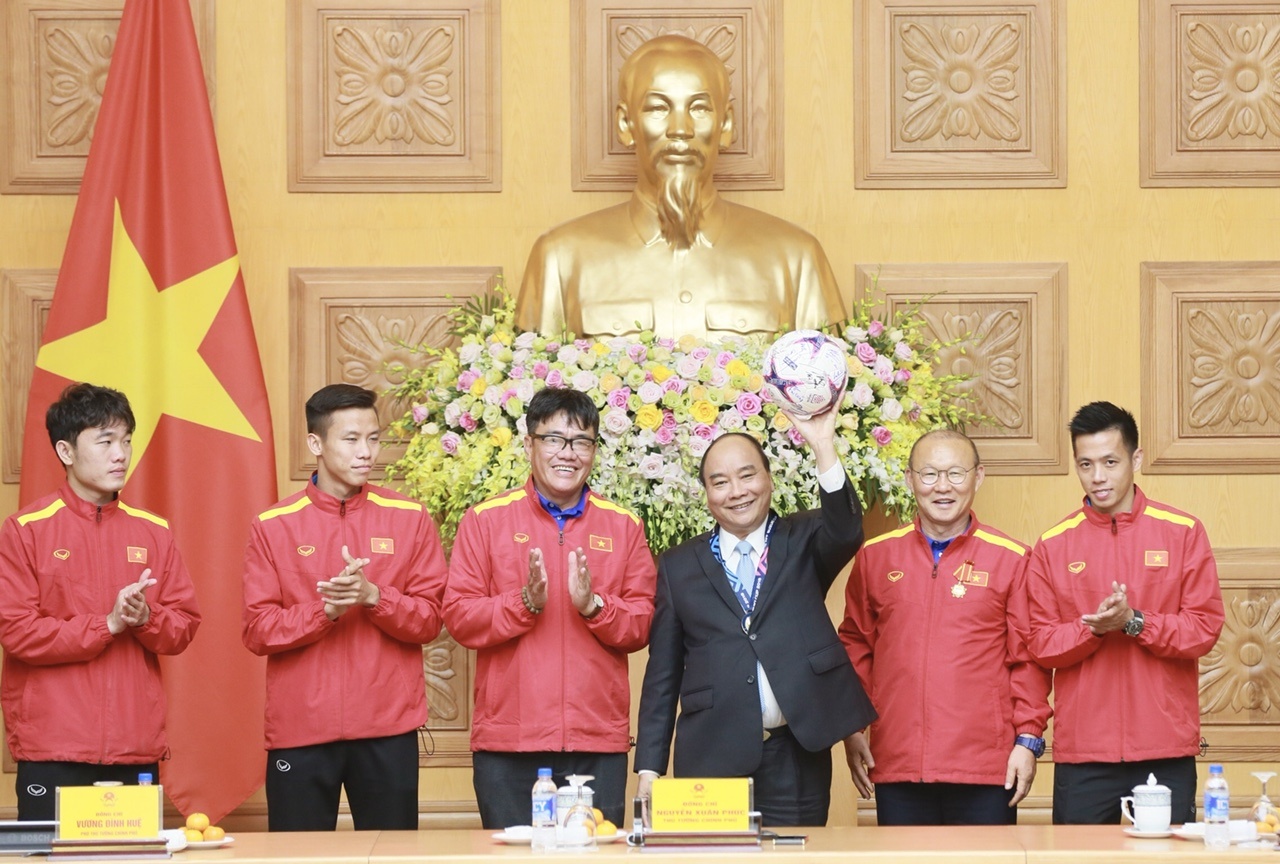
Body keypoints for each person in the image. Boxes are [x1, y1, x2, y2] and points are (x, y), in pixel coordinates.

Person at [634, 407, 876, 827]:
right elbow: (662, 674)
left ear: (769, 479)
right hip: (710, 753)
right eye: (720, 482)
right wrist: (649, 770)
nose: (736, 491)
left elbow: (846, 529)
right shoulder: (678, 566)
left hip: (796, 754)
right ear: (705, 493)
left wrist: (822, 445)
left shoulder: (805, 539)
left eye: (747, 476)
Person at [516, 34, 845, 341]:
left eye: (699, 108)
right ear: (625, 124)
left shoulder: (796, 259)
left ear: (726, 124)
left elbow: (830, 391)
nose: (680, 129)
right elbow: (533, 385)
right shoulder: (560, 258)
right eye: (658, 108)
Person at [443, 387, 656, 829]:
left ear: (594, 449)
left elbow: (641, 626)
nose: (568, 453)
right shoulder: (485, 521)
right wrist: (524, 603)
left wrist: (593, 606)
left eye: (581, 442)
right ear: (529, 444)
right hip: (509, 741)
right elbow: (459, 617)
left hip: (596, 741)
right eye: (554, 439)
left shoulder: (624, 525)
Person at [242, 384, 448, 831]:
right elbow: (257, 631)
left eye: (373, 438)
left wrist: (375, 597)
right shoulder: (273, 526)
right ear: (315, 443)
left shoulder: (409, 517)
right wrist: (325, 611)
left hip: (387, 729)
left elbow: (431, 618)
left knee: (393, 858)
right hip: (301, 731)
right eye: (351, 439)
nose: (366, 452)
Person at [0, 383, 200, 821]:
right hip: (52, 746)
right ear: (66, 452)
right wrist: (106, 625)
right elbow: (17, 633)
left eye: (126, 440)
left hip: (134, 747)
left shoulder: (153, 531)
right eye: (105, 441)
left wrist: (145, 618)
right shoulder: (25, 530)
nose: (121, 454)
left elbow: (184, 626)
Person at [838, 429, 1051, 825]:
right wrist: (851, 727)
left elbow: (1029, 658)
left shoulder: (1013, 559)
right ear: (908, 479)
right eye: (929, 474)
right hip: (897, 761)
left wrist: (1028, 739)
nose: (942, 487)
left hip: (986, 767)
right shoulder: (875, 557)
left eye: (955, 473)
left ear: (978, 476)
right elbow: (854, 647)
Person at [1026, 401, 1224, 825]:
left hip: (1164, 747)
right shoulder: (1053, 544)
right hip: (1084, 755)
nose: (1098, 477)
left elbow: (1204, 629)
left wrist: (1135, 622)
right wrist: (1094, 631)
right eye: (1086, 464)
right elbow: (1040, 642)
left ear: (1134, 459)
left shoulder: (1183, 531)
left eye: (1110, 462)